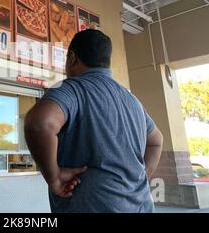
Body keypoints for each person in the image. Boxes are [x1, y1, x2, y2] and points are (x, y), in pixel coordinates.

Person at [25, 29, 163, 213]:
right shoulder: (132, 100)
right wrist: (141, 176)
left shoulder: (71, 89)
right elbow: (156, 141)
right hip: (142, 207)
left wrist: (54, 177)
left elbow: (39, 123)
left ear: (72, 58)